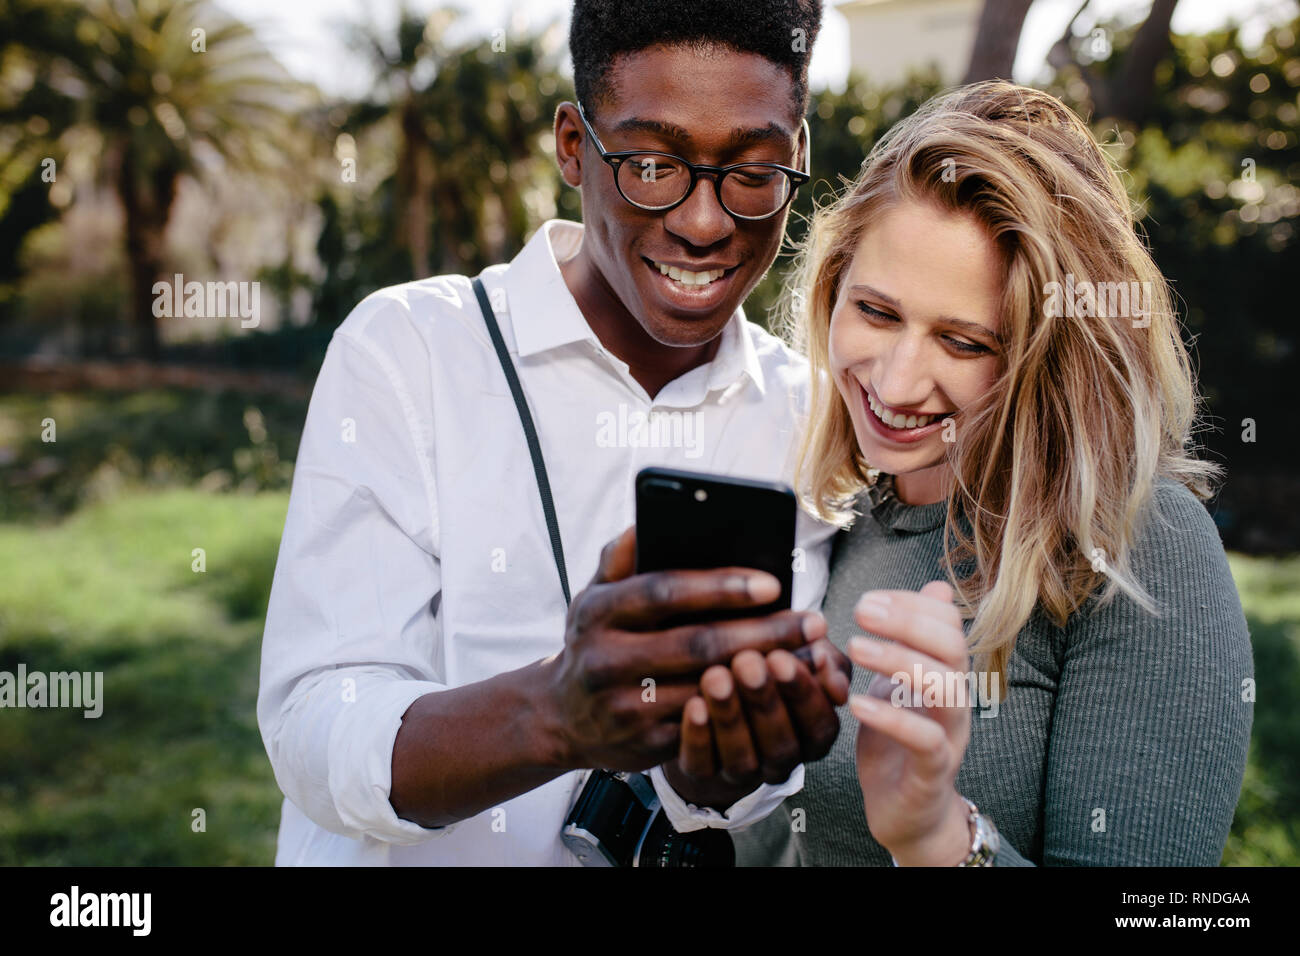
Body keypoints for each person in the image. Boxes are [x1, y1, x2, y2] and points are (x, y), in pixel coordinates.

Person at [256, 0, 852, 866]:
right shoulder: (409, 352)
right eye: (650, 163)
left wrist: (725, 761)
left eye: (753, 172)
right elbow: (315, 727)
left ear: (796, 158)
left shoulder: (807, 415)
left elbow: (732, 795)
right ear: (574, 145)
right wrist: (554, 713)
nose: (704, 222)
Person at [734, 81, 1254, 866]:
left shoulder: (1134, 545)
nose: (900, 383)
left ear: (1047, 359)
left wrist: (941, 837)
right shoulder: (847, 522)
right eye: (876, 312)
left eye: (965, 343)